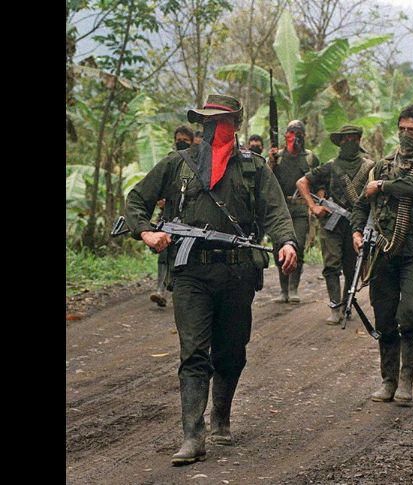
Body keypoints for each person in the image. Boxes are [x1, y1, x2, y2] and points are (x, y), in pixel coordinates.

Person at [123, 94, 298, 466]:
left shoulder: (253, 168)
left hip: (237, 272)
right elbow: (136, 199)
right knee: (194, 353)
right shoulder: (178, 164)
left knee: (231, 351)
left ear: (234, 124)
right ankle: (192, 434)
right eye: (207, 121)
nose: (212, 128)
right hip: (191, 273)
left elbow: (276, 212)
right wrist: (145, 232)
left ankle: (221, 415)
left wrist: (286, 242)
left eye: (220, 121)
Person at [350, 104, 413, 403]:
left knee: (411, 312)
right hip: (383, 253)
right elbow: (360, 204)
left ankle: (406, 380)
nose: (407, 136)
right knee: (385, 318)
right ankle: (389, 381)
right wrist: (356, 231)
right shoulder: (380, 165)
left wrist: (382, 185)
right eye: (402, 129)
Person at [296, 125, 375, 324]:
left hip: (356, 225)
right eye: (346, 139)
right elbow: (301, 183)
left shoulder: (370, 167)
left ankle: (347, 303)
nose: (350, 142)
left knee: (351, 267)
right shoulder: (330, 166)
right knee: (331, 265)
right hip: (332, 224)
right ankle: (334, 307)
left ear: (359, 140)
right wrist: (313, 206)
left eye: (354, 138)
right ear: (340, 142)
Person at [267, 120, 320, 303]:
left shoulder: (310, 158)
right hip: (280, 209)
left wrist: (315, 206)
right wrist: (271, 161)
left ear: (304, 136)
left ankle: (293, 288)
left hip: (300, 208)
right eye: (291, 132)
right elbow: (267, 180)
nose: (295, 136)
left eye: (298, 133)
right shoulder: (278, 157)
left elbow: (318, 182)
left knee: (296, 245)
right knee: (278, 248)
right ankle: (283, 290)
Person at [150, 126, 195, 307]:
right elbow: (155, 186)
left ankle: (177, 288)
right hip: (168, 214)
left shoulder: (196, 162)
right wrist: (159, 199)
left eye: (185, 139)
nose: (181, 141)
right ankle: (160, 290)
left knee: (182, 255)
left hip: (188, 217)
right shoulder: (169, 161)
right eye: (178, 138)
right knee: (163, 251)